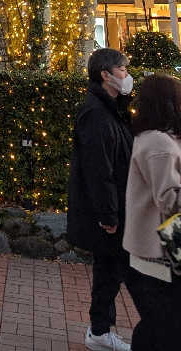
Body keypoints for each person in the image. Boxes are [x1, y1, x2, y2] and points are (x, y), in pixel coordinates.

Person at [67, 48, 135, 351]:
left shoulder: (111, 109)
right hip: (109, 213)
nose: (127, 75)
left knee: (110, 270)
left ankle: (100, 330)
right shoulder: (97, 113)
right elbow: (99, 170)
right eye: (122, 69)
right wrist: (108, 215)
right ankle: (99, 330)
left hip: (117, 208)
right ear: (105, 74)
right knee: (111, 270)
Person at [123, 73, 181, 350]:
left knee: (157, 324)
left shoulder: (153, 138)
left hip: (153, 249)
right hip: (159, 251)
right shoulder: (159, 144)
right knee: (163, 326)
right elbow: (169, 200)